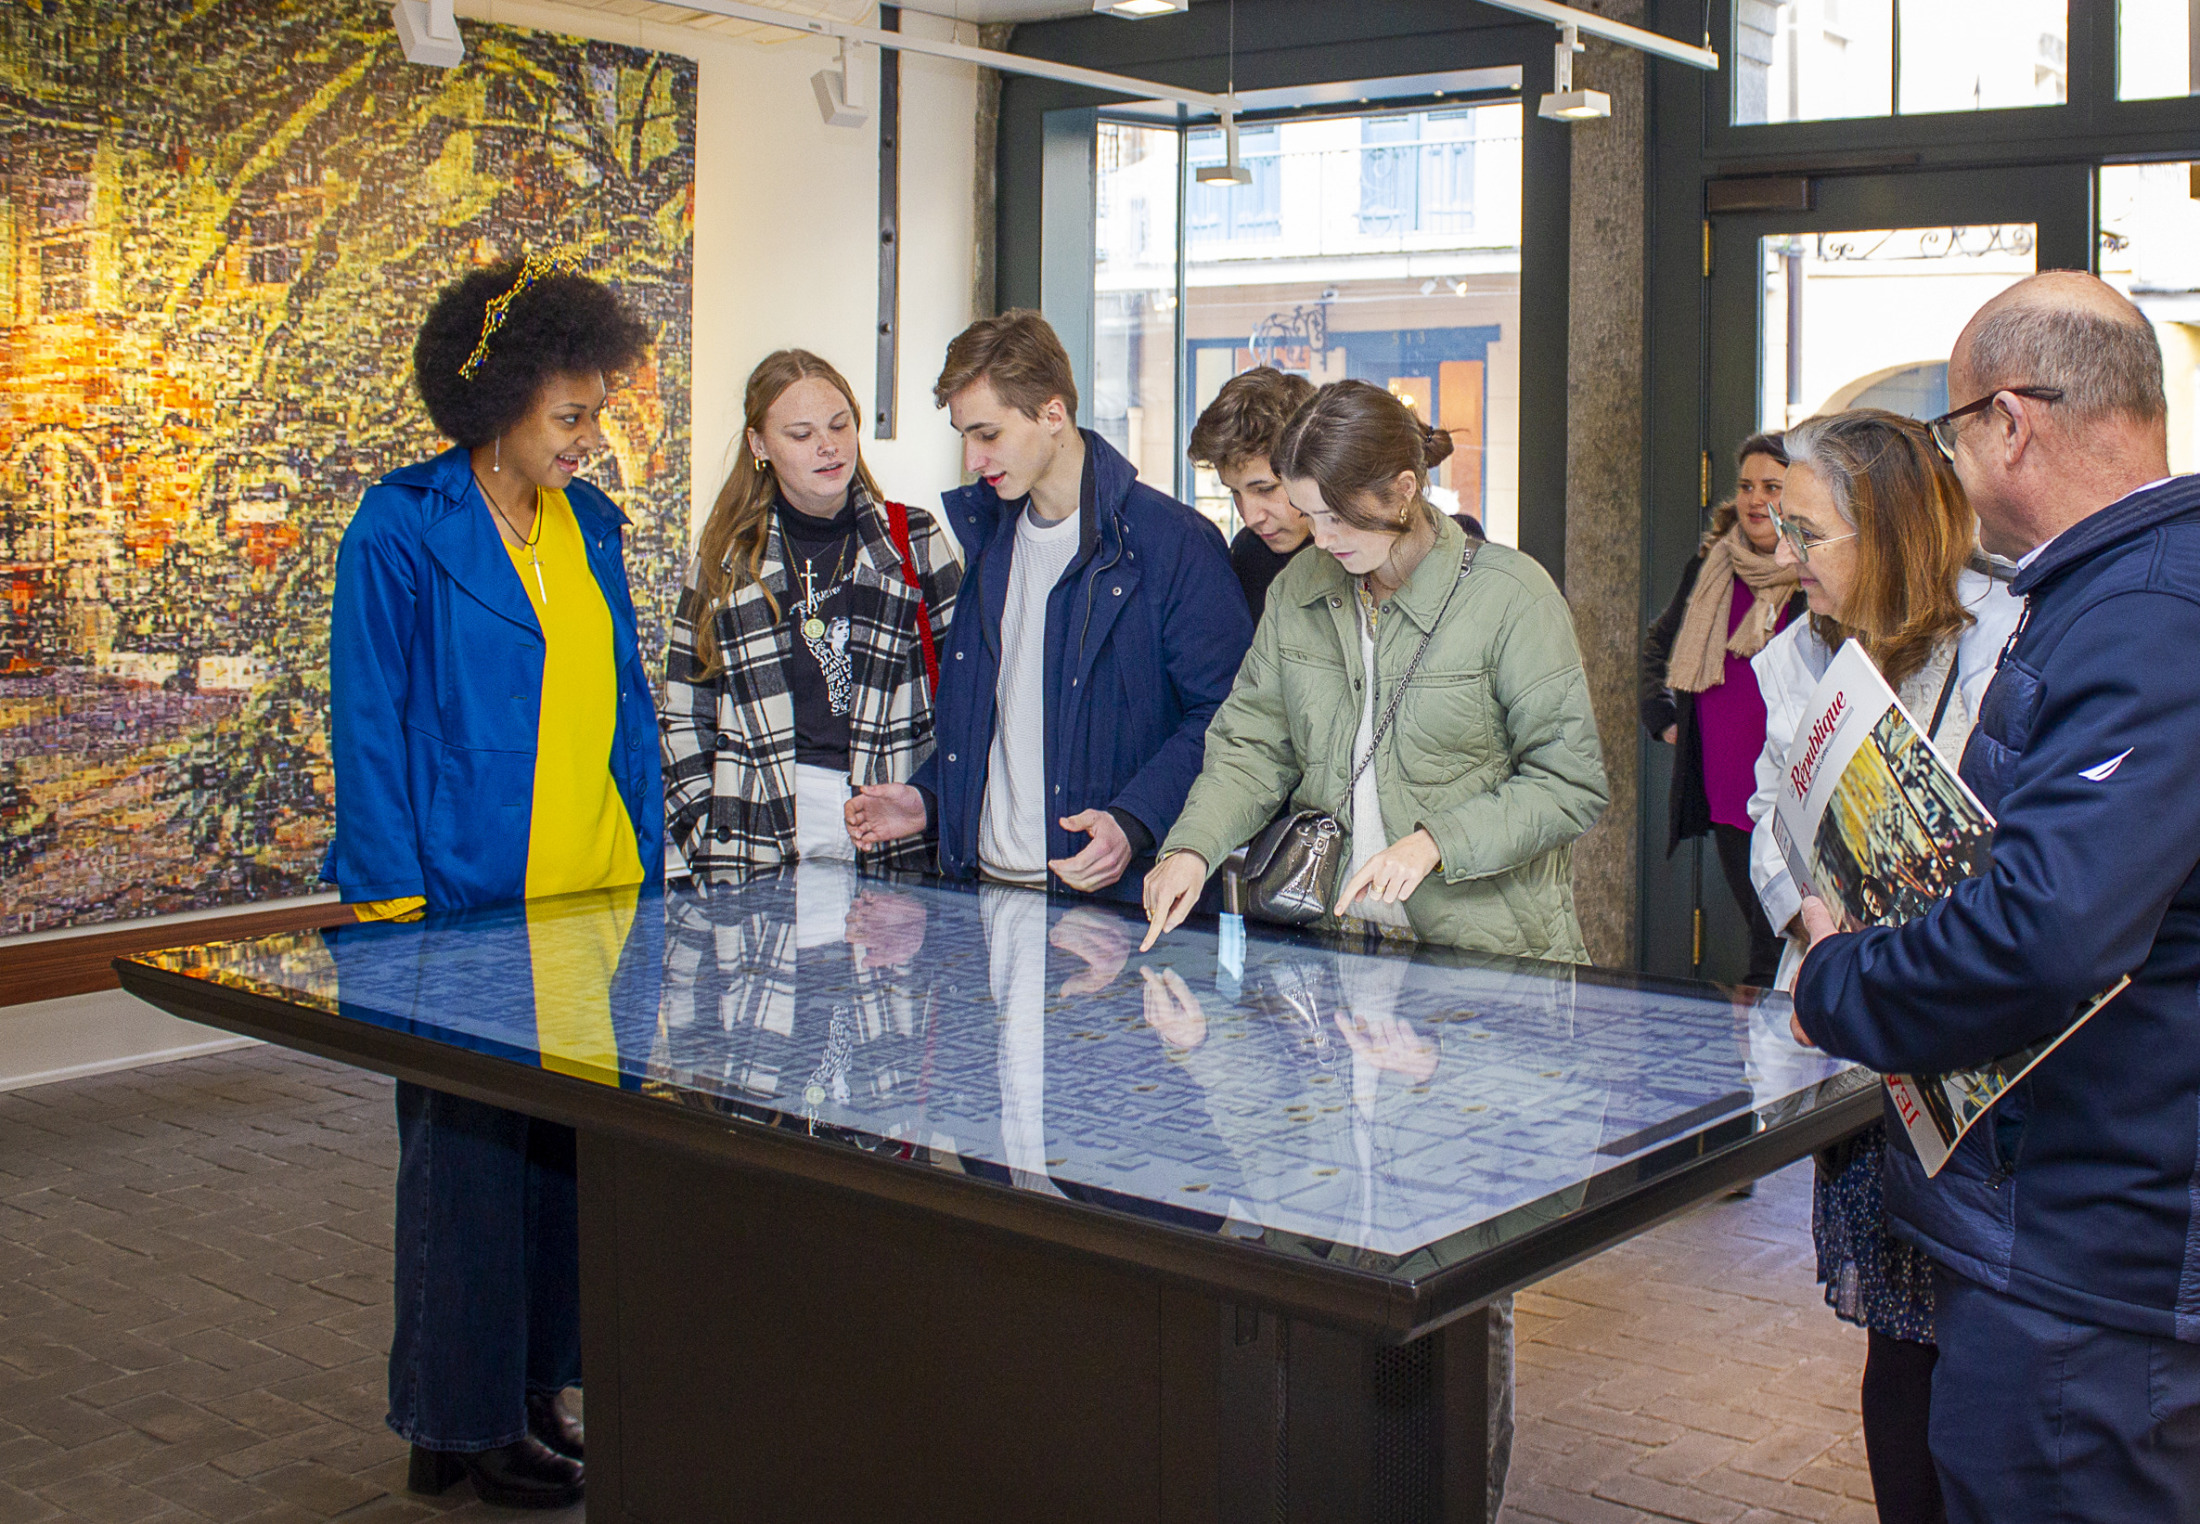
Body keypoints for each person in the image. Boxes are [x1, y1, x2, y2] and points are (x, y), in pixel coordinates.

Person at [1787, 273, 2200, 1522]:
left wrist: (1837, 980)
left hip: (2089, 1243)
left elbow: (2048, 924)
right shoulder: (2115, 591)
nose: (1956, 471)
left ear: (2011, 422)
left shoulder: (2141, 614)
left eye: (1957, 435)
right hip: (2089, 1215)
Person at [327, 252, 663, 1508]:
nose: (588, 437)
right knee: (464, 1173)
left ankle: (531, 1396)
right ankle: (452, 1422)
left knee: (559, 1168)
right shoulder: (402, 529)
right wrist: (392, 912)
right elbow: (370, 724)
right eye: (568, 416)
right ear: (496, 408)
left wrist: (650, 867)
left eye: (595, 412)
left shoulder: (596, 528)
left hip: (597, 899)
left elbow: (623, 711)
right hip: (462, 910)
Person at [1743, 408, 2019, 1524]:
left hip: (1985, 1055)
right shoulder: (1791, 658)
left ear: (1893, 529)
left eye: (1807, 533)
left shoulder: (2011, 634)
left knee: (1992, 1355)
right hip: (1865, 1044)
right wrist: (1809, 926)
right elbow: (1770, 820)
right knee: (1900, 1357)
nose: (1784, 558)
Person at [844, 310, 1252, 900]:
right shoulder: (989, 542)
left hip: (1117, 914)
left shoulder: (1173, 543)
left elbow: (1230, 718)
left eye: (988, 434)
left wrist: (1134, 821)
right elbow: (1003, 718)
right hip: (983, 900)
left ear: (1053, 413)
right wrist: (930, 798)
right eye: (964, 436)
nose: (972, 460)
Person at [662, 349, 960, 876]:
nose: (828, 447)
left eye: (840, 425)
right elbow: (683, 712)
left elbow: (971, 697)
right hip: (754, 835)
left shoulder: (914, 540)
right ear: (759, 445)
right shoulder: (724, 561)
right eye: (800, 435)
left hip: (893, 838)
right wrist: (702, 828)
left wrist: (932, 805)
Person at [1640, 433, 1803, 986]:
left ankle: (1772, 1056)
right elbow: (1659, 645)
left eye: (1773, 488)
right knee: (1762, 927)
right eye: (1747, 486)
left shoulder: (1811, 581)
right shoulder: (1709, 567)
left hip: (1788, 787)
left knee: (1779, 930)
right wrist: (1661, 718)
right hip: (1727, 786)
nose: (1756, 500)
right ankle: (1765, 1054)